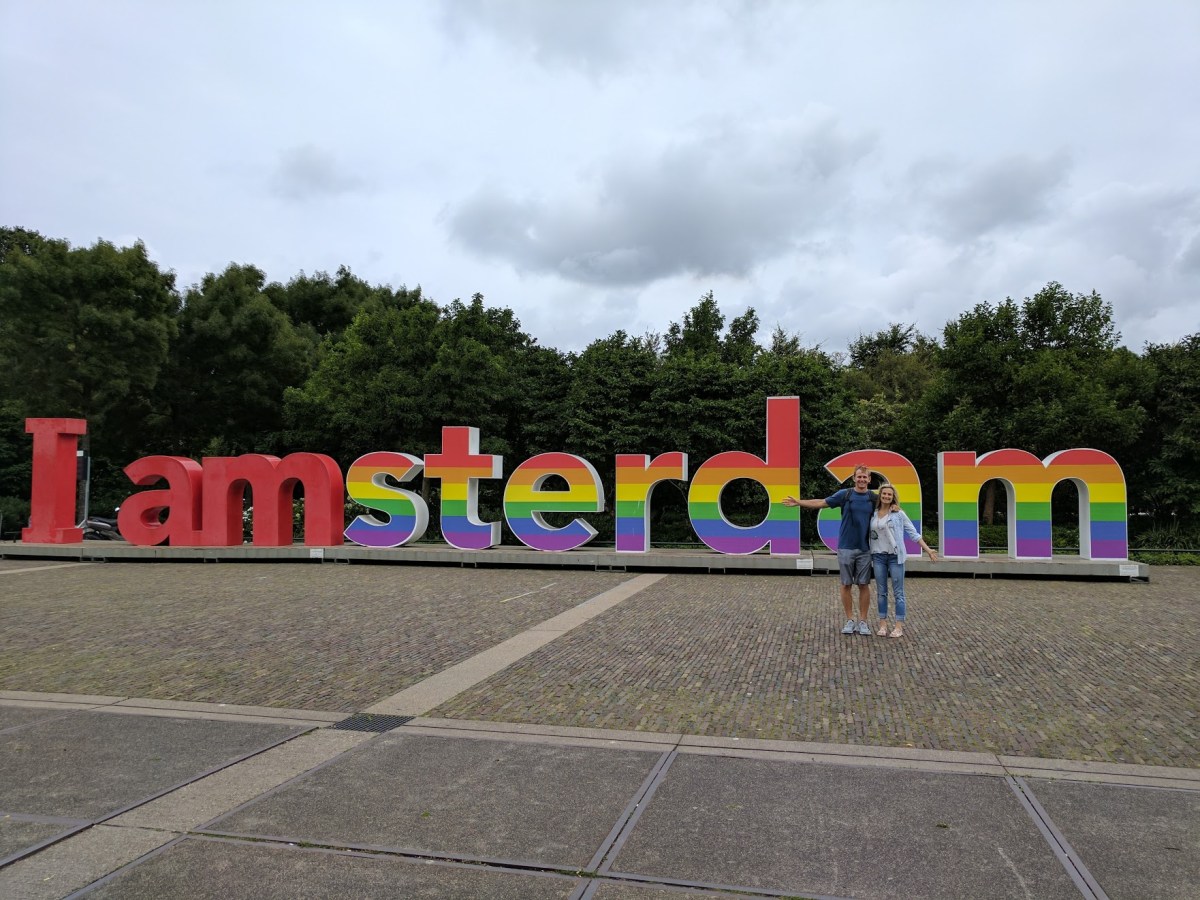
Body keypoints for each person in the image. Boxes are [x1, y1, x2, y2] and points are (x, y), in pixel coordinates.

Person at [783, 464, 876, 636]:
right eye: (859, 476)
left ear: (869, 479)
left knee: (864, 585)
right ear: (854, 478)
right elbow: (821, 502)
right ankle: (850, 620)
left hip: (866, 548)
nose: (862, 479)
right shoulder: (845, 494)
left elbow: (889, 507)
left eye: (865, 477)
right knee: (846, 584)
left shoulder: (873, 498)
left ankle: (863, 622)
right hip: (846, 547)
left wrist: (895, 508)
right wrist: (799, 502)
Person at [869, 483, 937, 638]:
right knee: (881, 592)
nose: (886, 496)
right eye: (884, 494)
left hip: (895, 557)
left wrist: (928, 550)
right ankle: (883, 624)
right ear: (880, 495)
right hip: (878, 556)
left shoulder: (898, 514)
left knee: (898, 592)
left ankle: (898, 626)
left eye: (889, 494)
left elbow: (913, 533)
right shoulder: (873, 513)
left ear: (893, 497)